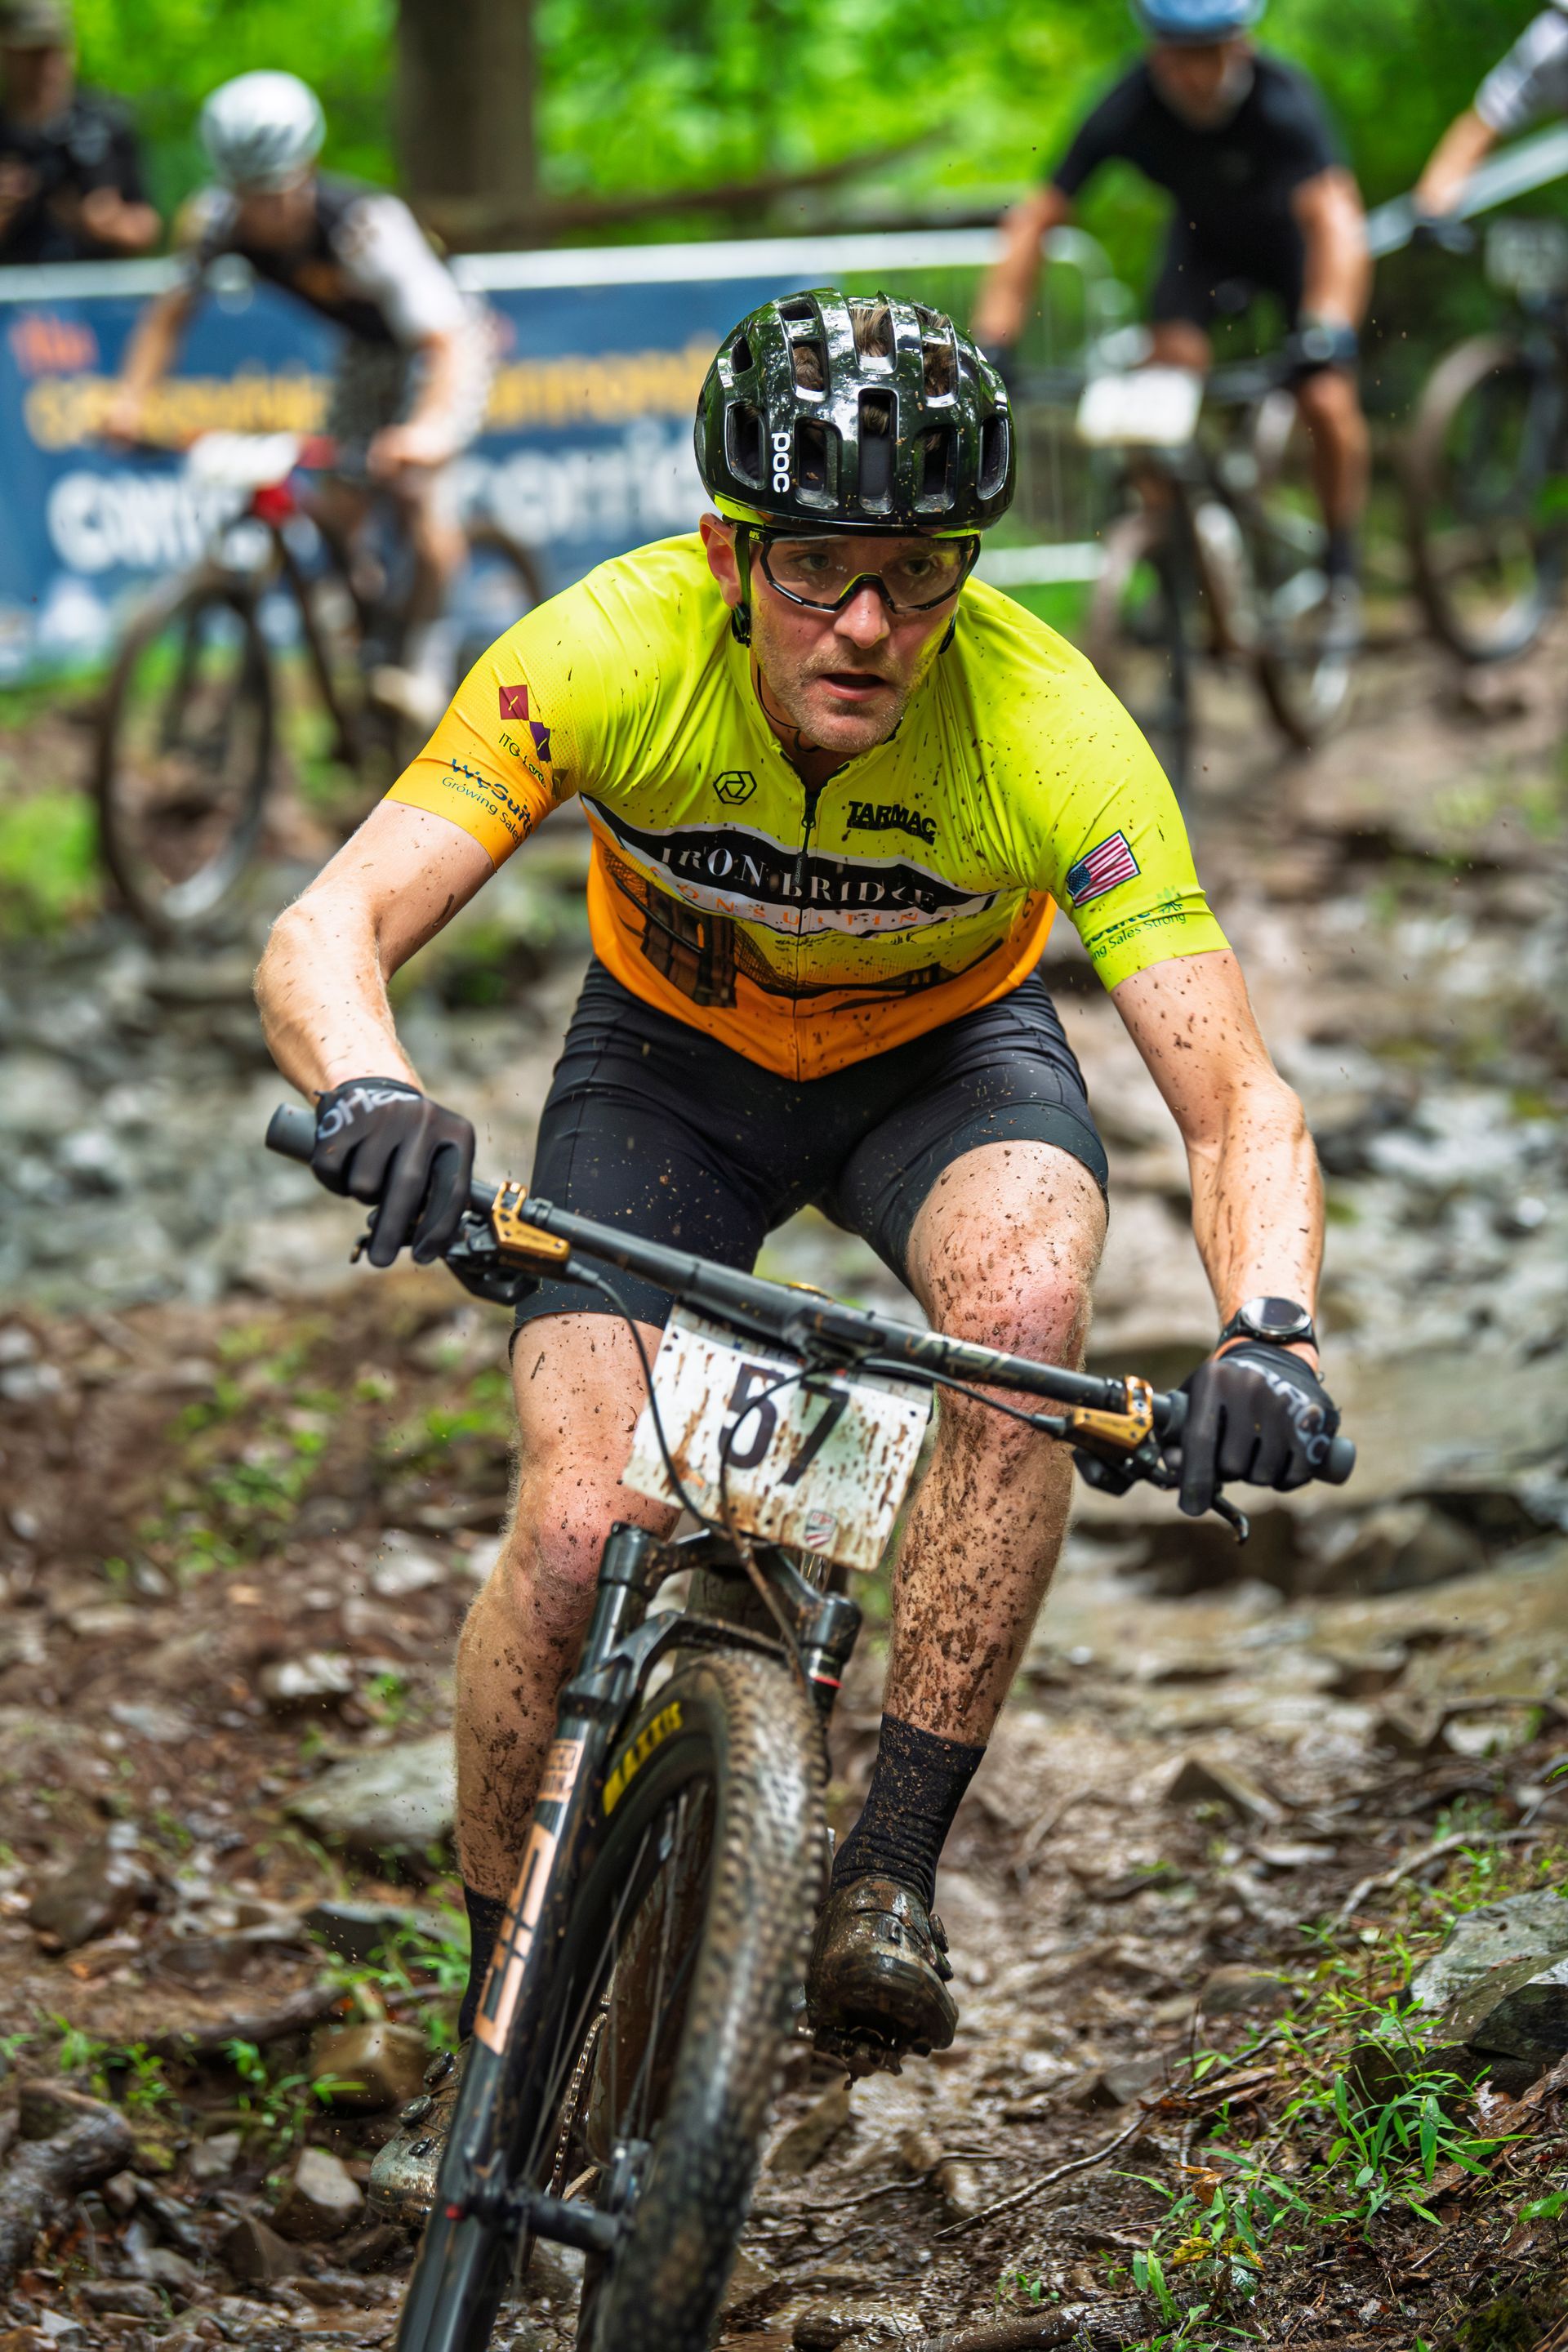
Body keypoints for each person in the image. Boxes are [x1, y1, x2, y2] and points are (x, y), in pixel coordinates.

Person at [252, 287, 1342, 2224]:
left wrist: (1271, 1329)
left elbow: (1232, 1089)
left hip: (946, 1066)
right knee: (585, 1522)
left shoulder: (1048, 725)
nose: (866, 626)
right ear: (726, 553)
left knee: (1022, 1312)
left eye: (914, 578)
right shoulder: (606, 650)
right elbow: (332, 923)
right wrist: (374, 1095)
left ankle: (884, 1872)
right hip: (667, 1074)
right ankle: (501, 1995)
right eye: (819, 567)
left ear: (963, 577)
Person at [974, 0, 1370, 645]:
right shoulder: (1129, 105)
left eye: (1209, 53)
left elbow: (1336, 218)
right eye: (1177, 55)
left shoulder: (1282, 100)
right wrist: (995, 342)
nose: (1192, 74)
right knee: (1156, 405)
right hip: (1200, 255)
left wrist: (1329, 325)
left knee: (1326, 397)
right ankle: (1176, 568)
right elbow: (1034, 220)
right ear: (1154, 50)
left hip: (1290, 253)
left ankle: (1341, 564)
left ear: (1239, 46)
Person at [105, 69, 494, 727]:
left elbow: (445, 344)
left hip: (446, 342)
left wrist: (424, 432)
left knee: (421, 498)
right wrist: (129, 399)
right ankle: (367, 627)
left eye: (276, 193)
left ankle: (426, 665)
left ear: (307, 168)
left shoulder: (366, 229)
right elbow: (168, 315)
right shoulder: (215, 222)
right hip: (369, 351)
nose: (263, 213)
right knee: (341, 506)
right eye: (247, 194)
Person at [0, 0, 158, 265]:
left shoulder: (106, 124)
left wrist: (107, 221)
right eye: (32, 53)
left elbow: (148, 229)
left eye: (56, 51)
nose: (46, 66)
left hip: (94, 298)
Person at [1415, 3, 1568, 216]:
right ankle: (1432, 208)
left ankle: (1432, 206)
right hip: (1555, 39)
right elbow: (1487, 117)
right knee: (1487, 119)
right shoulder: (1549, 45)